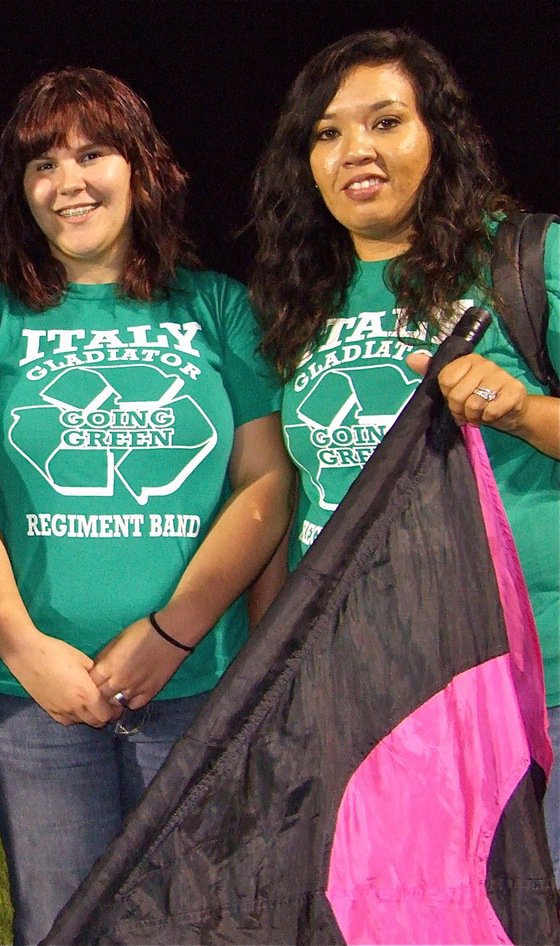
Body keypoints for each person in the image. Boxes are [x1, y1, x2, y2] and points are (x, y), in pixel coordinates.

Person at [0, 67, 293, 944]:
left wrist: (173, 632)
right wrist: (26, 650)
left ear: (141, 168)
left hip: (198, 684)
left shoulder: (218, 309)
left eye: (93, 154)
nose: (69, 184)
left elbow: (266, 483)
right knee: (61, 926)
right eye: (42, 165)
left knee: (200, 924)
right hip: (33, 701)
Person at [249, 27, 560, 882]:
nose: (357, 149)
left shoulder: (527, 257)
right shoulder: (298, 296)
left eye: (386, 122)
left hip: (528, 686)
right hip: (369, 696)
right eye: (328, 132)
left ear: (439, 136)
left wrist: (525, 411)